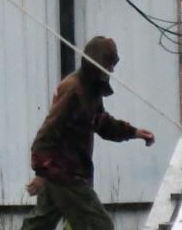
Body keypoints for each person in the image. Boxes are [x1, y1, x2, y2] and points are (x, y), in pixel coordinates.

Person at [22, 36, 155, 230]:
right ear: (98, 64)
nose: (112, 70)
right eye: (109, 64)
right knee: (100, 226)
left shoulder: (90, 89)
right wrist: (41, 172)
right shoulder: (74, 90)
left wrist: (133, 132)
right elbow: (47, 134)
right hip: (66, 175)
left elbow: (100, 122)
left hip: (61, 173)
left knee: (39, 225)